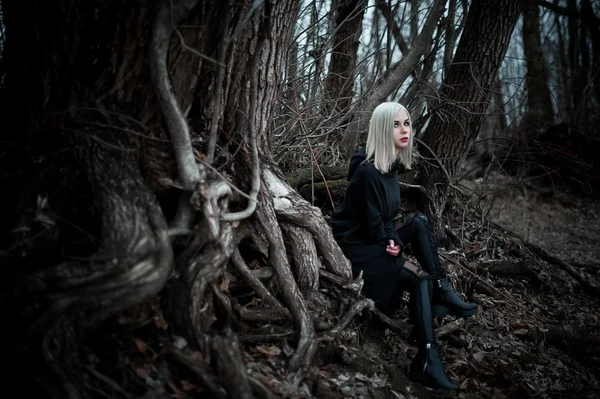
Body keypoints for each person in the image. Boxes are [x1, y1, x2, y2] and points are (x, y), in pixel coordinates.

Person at [329, 102, 477, 390]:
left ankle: (441, 291)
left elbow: (386, 220)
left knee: (419, 222)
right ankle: (427, 359)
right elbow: (373, 228)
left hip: (370, 237)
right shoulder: (367, 172)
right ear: (383, 129)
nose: (404, 130)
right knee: (418, 279)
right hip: (354, 246)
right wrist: (391, 244)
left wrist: (393, 240)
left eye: (407, 123)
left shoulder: (389, 168)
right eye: (396, 124)